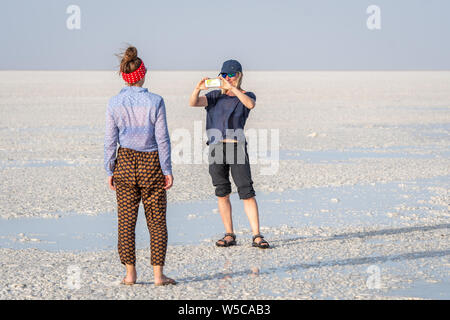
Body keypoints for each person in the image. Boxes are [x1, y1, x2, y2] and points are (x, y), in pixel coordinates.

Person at [104, 46, 176, 286]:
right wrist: (167, 170)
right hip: (151, 163)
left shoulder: (114, 103)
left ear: (125, 76)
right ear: (142, 74)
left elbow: (109, 140)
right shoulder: (155, 101)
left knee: (126, 221)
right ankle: (158, 275)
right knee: (156, 221)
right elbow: (162, 138)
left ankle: (130, 274)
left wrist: (109, 169)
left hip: (124, 163)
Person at [189, 59, 270, 249]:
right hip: (216, 147)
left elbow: (250, 105)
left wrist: (232, 89)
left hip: (236, 147)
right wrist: (197, 89)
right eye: (223, 75)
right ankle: (229, 234)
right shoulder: (215, 96)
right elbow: (193, 103)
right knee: (222, 192)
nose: (227, 78)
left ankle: (257, 235)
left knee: (246, 191)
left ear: (239, 75)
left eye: (231, 75)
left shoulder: (246, 95)